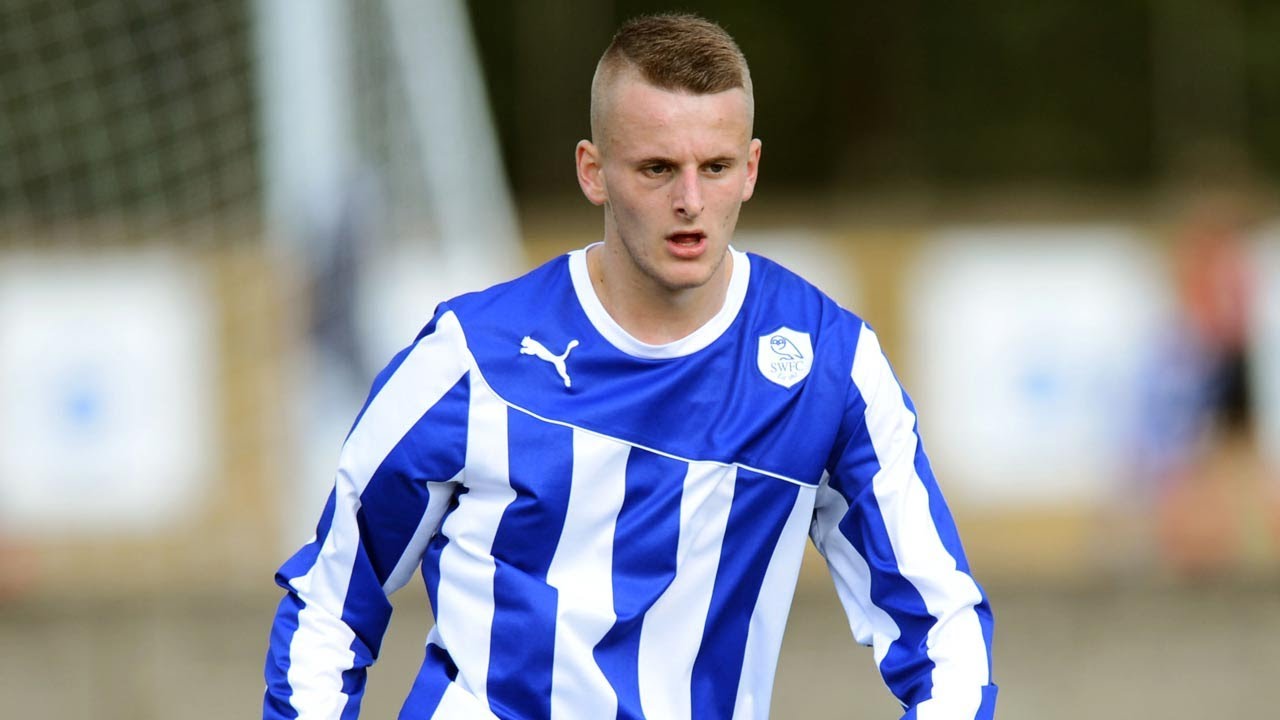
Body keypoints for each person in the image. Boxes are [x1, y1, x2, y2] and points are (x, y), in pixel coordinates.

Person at [264, 13, 996, 720]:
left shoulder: (828, 370)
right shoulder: (470, 357)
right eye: (656, 168)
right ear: (593, 172)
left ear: (751, 169)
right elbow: (330, 604)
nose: (689, 201)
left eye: (715, 168)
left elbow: (943, 627)